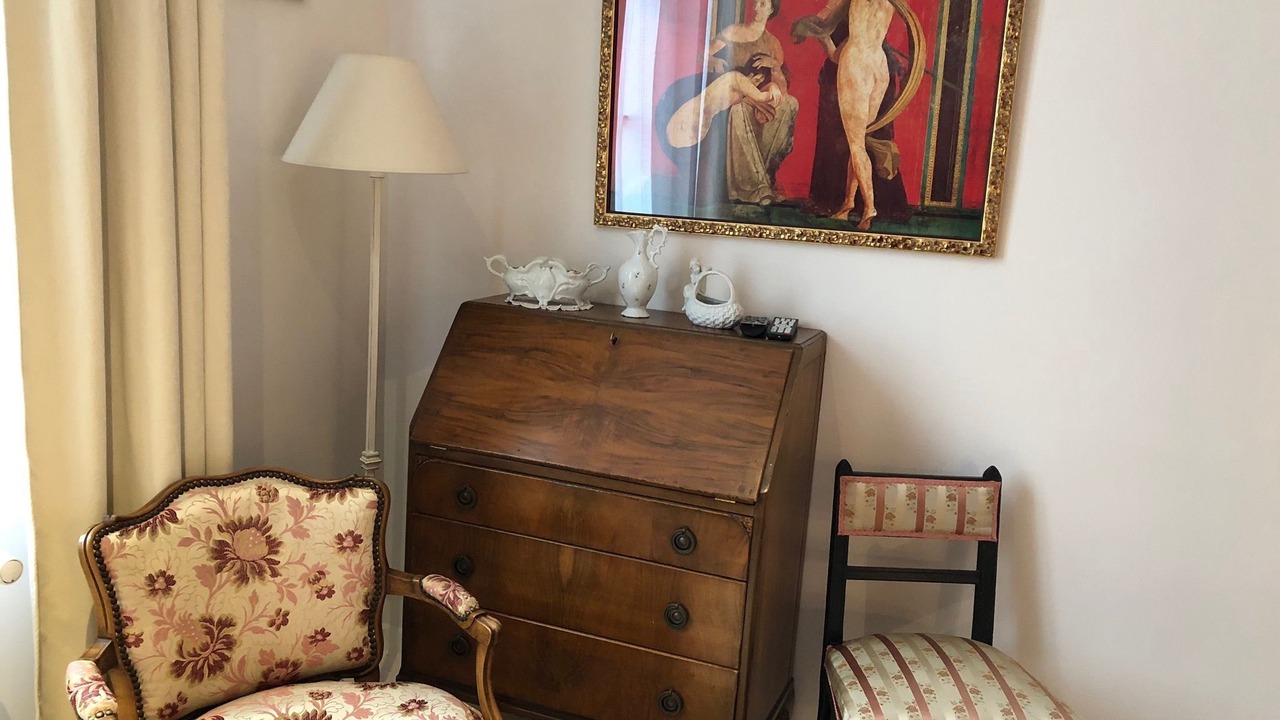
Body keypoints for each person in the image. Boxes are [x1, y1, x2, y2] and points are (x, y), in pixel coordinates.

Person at [663, 0, 798, 206]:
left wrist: (775, 70)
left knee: (790, 104)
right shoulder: (734, 31)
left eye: (763, 4)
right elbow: (704, 53)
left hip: (756, 92)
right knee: (739, 109)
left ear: (771, 10)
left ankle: (767, 174)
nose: (756, 7)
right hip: (732, 90)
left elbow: (782, 85)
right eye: (757, 3)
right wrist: (714, 60)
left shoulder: (773, 44)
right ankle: (753, 186)